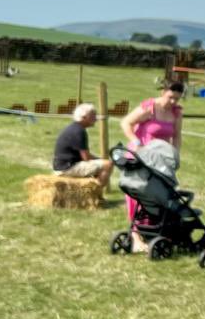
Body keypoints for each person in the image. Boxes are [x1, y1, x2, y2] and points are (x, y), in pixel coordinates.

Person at [120, 82, 185, 224]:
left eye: (177, 99)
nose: (173, 102)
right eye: (171, 97)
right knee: (139, 191)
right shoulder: (149, 107)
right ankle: (136, 231)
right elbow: (126, 123)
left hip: (160, 158)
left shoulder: (176, 112)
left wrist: (175, 155)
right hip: (140, 154)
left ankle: (153, 226)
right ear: (163, 92)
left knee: (159, 192)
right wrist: (136, 143)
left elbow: (177, 136)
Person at [51, 103, 112, 190]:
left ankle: (92, 190)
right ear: (84, 117)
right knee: (108, 164)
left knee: (101, 163)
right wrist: (101, 160)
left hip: (62, 165)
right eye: (93, 116)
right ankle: (96, 192)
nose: (96, 118)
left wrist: (99, 160)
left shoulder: (74, 128)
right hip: (67, 168)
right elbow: (86, 157)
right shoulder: (79, 132)